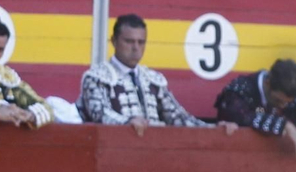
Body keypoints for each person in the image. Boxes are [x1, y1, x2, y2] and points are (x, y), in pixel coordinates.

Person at [80, 14, 231, 132]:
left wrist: (213, 128)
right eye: (129, 41)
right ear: (113, 41)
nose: (136, 48)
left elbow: (176, 116)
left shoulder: (153, 79)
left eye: (141, 42)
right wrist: (127, 122)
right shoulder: (96, 77)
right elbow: (99, 114)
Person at [215, 59, 296, 159]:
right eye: (277, 101)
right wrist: (285, 126)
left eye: (287, 103)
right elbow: (242, 116)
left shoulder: (288, 99)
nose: (282, 106)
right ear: (267, 83)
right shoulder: (240, 89)